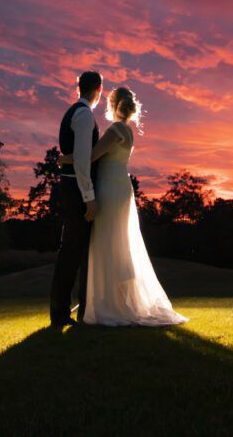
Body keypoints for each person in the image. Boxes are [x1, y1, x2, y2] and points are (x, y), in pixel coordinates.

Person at [59, 85, 187, 327]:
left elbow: (92, 155)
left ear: (113, 104)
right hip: (120, 186)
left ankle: (110, 304)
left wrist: (66, 159)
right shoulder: (127, 130)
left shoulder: (116, 129)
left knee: (107, 240)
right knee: (118, 241)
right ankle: (114, 300)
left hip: (110, 187)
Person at [49, 70, 102, 326]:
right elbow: (82, 160)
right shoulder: (83, 115)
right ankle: (60, 312)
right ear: (99, 90)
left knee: (75, 249)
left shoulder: (73, 111)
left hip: (70, 186)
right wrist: (89, 197)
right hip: (76, 189)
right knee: (72, 250)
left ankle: (77, 309)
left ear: (78, 87)